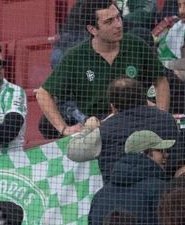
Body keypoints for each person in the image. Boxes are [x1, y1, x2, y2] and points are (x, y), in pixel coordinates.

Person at [38, 1, 169, 136]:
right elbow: (43, 94)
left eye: (118, 17)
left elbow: (161, 81)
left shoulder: (136, 45)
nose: (118, 25)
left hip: (138, 119)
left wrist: (161, 118)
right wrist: (64, 129)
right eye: (109, 22)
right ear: (92, 29)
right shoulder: (75, 57)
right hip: (97, 127)